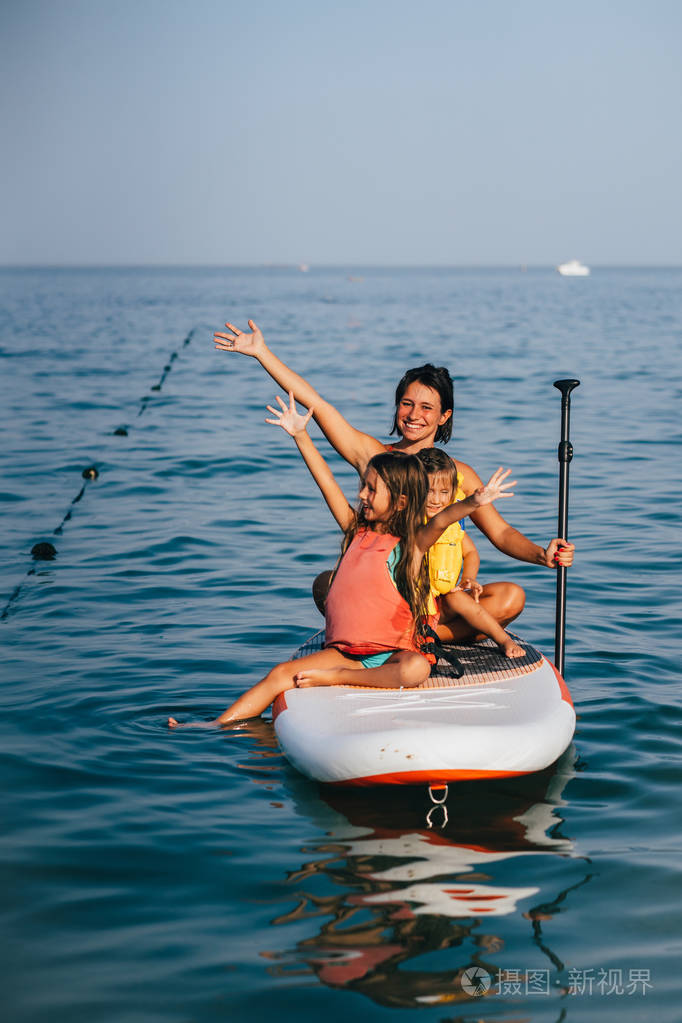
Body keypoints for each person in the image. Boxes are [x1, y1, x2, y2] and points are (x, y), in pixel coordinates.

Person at [168, 393, 516, 728]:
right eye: (364, 486)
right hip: (347, 650)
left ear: (399, 501)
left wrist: (474, 501)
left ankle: (339, 679)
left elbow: (441, 519)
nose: (362, 494)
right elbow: (326, 483)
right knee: (278, 675)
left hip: (390, 656)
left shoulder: (412, 544)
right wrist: (301, 435)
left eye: (371, 490)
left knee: (416, 669)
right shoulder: (355, 530)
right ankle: (214, 724)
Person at [214, 320, 574, 641]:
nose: (413, 415)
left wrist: (543, 556)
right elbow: (319, 406)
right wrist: (262, 354)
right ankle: (422, 632)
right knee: (327, 584)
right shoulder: (377, 458)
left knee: (511, 597)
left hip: (439, 600)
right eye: (406, 403)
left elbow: (501, 533)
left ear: (444, 416)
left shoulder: (459, 474)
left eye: (426, 408)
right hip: (385, 592)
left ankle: (421, 633)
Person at [416, 447, 524, 658]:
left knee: (460, 599)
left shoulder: (453, 528)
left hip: (442, 605)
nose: (436, 500)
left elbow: (471, 553)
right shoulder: (410, 522)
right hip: (412, 608)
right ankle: (418, 635)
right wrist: (473, 502)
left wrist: (468, 579)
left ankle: (503, 640)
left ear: (453, 494)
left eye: (444, 493)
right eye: (429, 491)